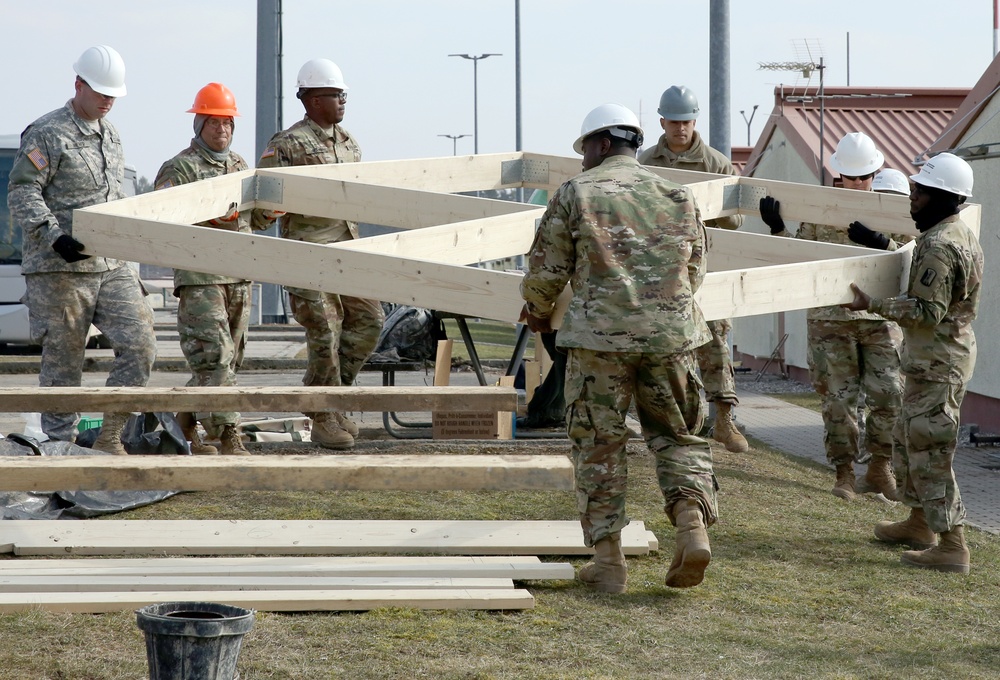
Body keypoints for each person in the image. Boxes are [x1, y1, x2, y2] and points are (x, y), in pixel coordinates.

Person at [520, 103, 717, 593]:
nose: (582, 159)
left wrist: (539, 310)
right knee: (679, 436)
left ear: (603, 143)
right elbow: (695, 270)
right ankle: (692, 529)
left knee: (599, 442)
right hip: (672, 339)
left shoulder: (577, 192)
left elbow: (546, 270)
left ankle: (609, 564)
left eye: (584, 148)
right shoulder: (677, 193)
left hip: (599, 343)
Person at [7, 45, 155, 455]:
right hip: (59, 269)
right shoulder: (46, 132)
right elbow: (22, 190)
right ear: (78, 85)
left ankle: (111, 435)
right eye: (101, 92)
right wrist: (54, 235)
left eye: (114, 95)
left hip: (109, 265)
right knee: (63, 367)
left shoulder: (112, 134)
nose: (108, 101)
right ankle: (60, 451)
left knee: (141, 343)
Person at [844, 152, 981, 574]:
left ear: (942, 196)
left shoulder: (941, 245)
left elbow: (926, 311)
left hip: (939, 364)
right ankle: (920, 523)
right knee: (910, 441)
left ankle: (953, 545)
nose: (912, 196)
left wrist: (874, 304)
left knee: (930, 452)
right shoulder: (948, 232)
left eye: (920, 191)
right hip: (932, 360)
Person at [759, 132, 902, 501]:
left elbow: (912, 259)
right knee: (839, 401)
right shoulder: (819, 209)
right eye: (850, 177)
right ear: (838, 174)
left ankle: (879, 468)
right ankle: (844, 474)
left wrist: (882, 242)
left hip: (879, 319)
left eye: (864, 177)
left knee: (889, 396)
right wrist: (777, 228)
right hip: (830, 319)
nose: (857, 184)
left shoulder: (895, 211)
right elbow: (799, 257)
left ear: (875, 173)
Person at [253, 58, 384, 450]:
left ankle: (331, 397)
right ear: (311, 99)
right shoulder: (287, 145)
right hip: (309, 259)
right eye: (334, 94)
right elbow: (262, 210)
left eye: (344, 94)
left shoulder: (350, 144)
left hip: (349, 252)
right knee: (326, 332)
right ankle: (323, 412)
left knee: (370, 321)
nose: (343, 101)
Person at [639, 85, 748, 453]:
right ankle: (669, 421)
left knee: (715, 342)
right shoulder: (646, 161)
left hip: (700, 269)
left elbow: (734, 222)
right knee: (660, 347)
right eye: (674, 122)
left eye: (686, 121)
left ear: (694, 121)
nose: (680, 129)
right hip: (658, 272)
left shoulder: (715, 163)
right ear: (662, 121)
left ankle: (724, 420)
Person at [153, 83, 254, 456]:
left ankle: (184, 421)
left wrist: (271, 210)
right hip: (200, 279)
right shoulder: (180, 168)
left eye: (227, 122)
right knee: (215, 356)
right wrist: (210, 215)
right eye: (213, 122)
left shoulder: (241, 166)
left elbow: (252, 219)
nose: (221, 129)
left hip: (239, 276)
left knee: (231, 359)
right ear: (198, 124)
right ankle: (227, 434)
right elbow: (164, 216)